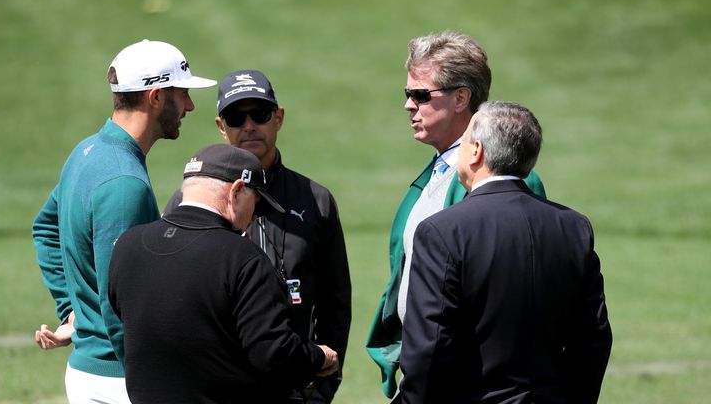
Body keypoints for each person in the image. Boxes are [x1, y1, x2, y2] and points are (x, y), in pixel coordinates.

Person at [32, 39, 216, 403]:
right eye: (183, 94)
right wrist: (150, 378)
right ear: (156, 97)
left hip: (95, 374)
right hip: (123, 381)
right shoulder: (124, 184)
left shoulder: (87, 152)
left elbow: (45, 228)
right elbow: (124, 299)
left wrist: (72, 311)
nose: (191, 106)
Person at [366, 30, 547, 398]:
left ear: (462, 97)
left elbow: (518, 294)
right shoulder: (437, 172)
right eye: (407, 94)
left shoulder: (510, 181)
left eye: (420, 95)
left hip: (469, 383)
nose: (408, 105)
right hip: (427, 375)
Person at [396, 101, 613, 403]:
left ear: (476, 151)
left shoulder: (443, 231)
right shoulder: (573, 227)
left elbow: (429, 349)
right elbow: (593, 338)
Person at [162, 69, 351, 403]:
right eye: (236, 117)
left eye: (260, 114)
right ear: (222, 127)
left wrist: (322, 391)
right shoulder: (190, 201)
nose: (249, 126)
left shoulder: (316, 200)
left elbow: (335, 306)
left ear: (278, 118)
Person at [107, 144, 340, 403]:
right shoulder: (244, 258)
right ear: (237, 191)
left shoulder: (127, 246)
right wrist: (318, 356)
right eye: (257, 204)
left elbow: (121, 329)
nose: (253, 217)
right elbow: (272, 351)